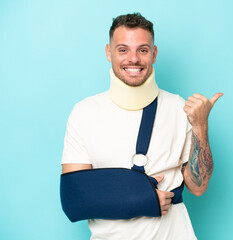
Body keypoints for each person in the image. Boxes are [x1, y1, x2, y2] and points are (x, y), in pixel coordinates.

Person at [61, 13, 222, 240]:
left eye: (143, 50)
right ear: (109, 52)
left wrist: (200, 126)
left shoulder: (179, 108)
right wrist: (142, 199)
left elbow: (198, 187)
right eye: (123, 50)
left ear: (154, 54)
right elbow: (74, 198)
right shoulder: (84, 113)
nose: (133, 59)